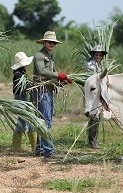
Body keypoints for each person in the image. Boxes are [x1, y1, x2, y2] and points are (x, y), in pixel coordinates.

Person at [33, 31, 71, 159]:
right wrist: (58, 75)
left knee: (42, 121)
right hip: (40, 90)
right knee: (46, 121)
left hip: (48, 90)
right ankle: (48, 151)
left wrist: (61, 81)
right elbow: (42, 71)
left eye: (54, 43)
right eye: (50, 42)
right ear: (44, 42)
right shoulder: (39, 55)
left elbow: (53, 73)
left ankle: (39, 149)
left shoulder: (51, 56)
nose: (52, 44)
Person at [11, 52, 37, 153]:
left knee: (26, 122)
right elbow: (21, 89)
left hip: (23, 100)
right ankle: (20, 146)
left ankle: (31, 146)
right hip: (22, 101)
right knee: (25, 122)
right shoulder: (18, 75)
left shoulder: (21, 73)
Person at [84, 44, 107, 149]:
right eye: (96, 55)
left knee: (97, 116)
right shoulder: (90, 65)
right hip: (92, 93)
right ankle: (92, 141)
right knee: (94, 116)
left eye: (100, 55)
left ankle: (94, 140)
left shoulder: (100, 65)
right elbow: (93, 80)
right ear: (93, 55)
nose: (98, 56)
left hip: (98, 93)